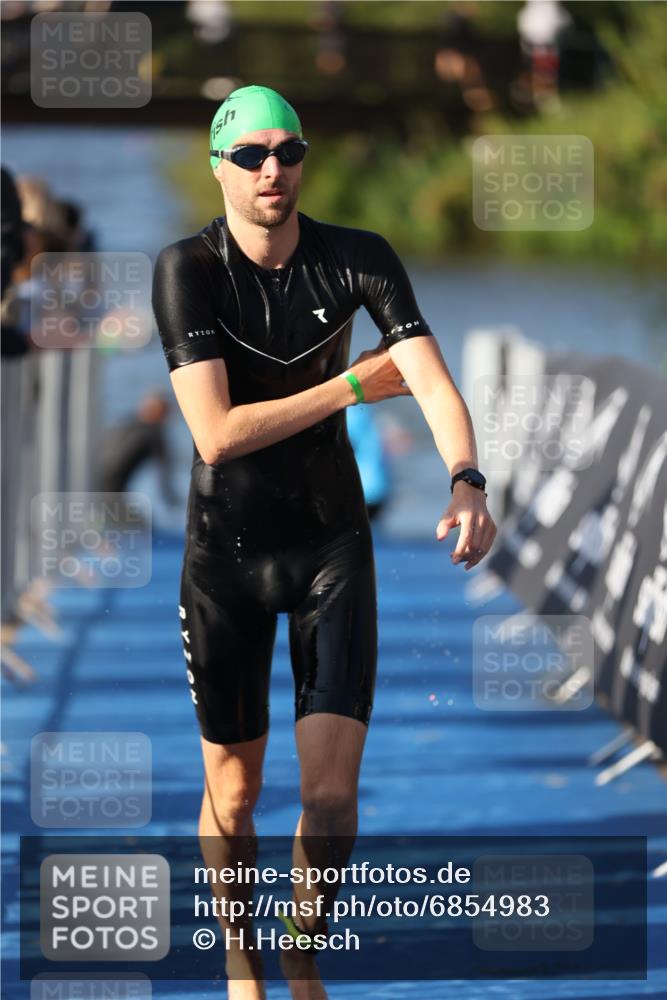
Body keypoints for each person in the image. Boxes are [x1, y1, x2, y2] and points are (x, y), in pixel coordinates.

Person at [152, 84, 496, 1000]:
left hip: (329, 547)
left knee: (332, 800)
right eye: (253, 154)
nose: (274, 169)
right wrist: (348, 389)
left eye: (290, 151)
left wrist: (466, 479)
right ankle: (239, 956)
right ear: (218, 166)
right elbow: (215, 435)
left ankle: (301, 943)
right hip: (223, 554)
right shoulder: (187, 268)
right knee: (233, 793)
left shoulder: (358, 259)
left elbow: (425, 380)